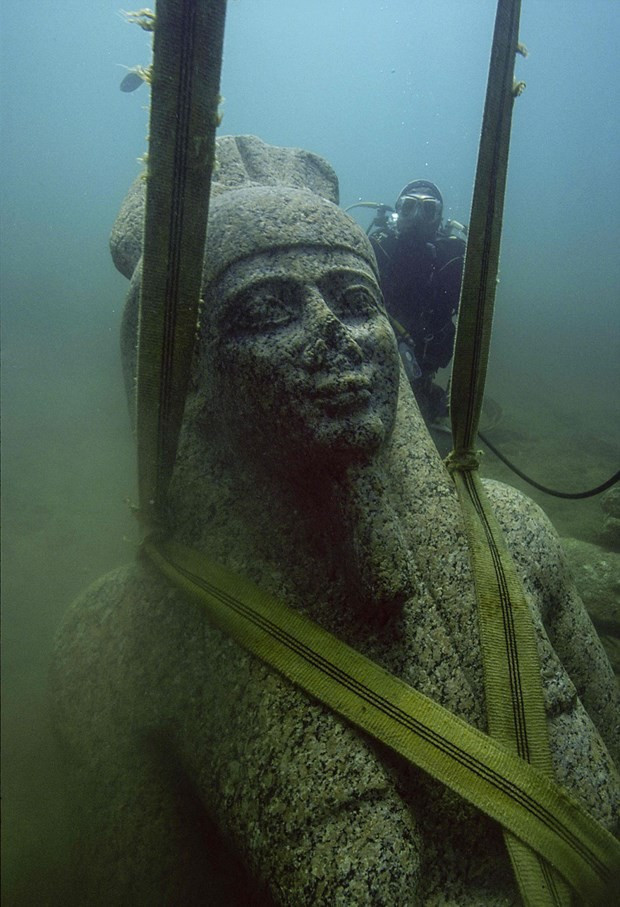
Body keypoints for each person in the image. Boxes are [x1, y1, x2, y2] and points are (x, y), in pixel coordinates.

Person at [52, 136, 619, 905]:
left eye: (356, 301)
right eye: (265, 309)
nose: (334, 333)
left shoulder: (515, 533)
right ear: (193, 383)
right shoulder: (118, 643)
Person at [369, 179, 466, 424]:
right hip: (373, 355)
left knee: (422, 407)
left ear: (439, 217)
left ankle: (424, 392)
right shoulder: (378, 247)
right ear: (397, 211)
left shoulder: (453, 258)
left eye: (428, 209)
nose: (417, 217)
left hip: (425, 358)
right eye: (409, 207)